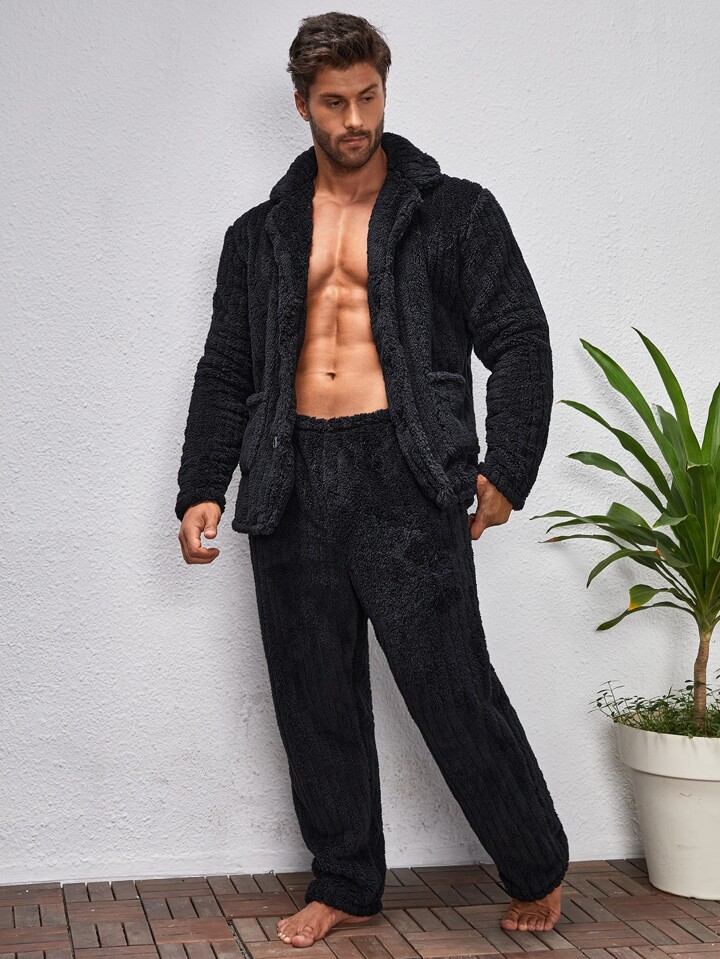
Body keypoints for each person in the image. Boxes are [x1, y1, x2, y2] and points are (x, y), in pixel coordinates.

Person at [175, 11, 569, 948]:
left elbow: (520, 338)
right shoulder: (259, 236)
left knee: (451, 685)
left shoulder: (455, 212)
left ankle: (537, 862)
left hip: (406, 473)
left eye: (369, 97)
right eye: (333, 103)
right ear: (301, 105)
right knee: (314, 694)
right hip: (290, 475)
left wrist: (507, 467)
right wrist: (202, 485)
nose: (355, 119)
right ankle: (347, 881)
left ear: (384, 90)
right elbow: (227, 369)